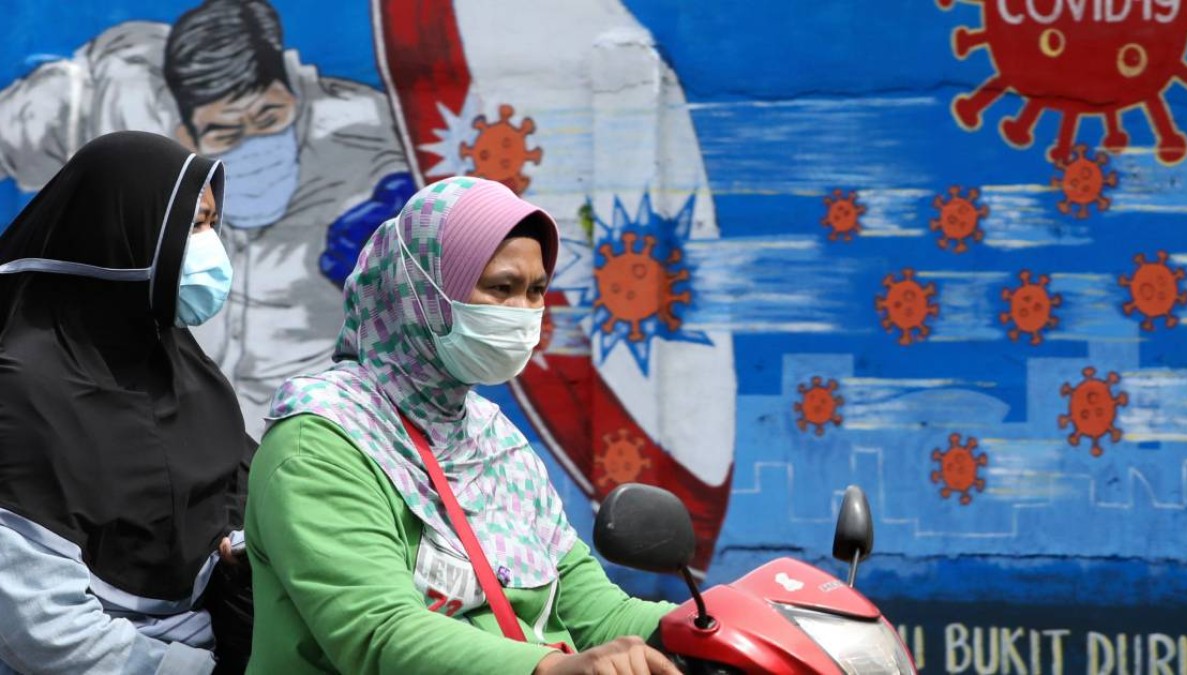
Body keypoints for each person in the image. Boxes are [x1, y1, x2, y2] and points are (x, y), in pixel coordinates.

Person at [245, 176, 681, 674]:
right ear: (421, 292)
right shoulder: (320, 441)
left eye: (536, 291)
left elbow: (595, 614)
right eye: (501, 288)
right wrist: (551, 668)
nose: (523, 313)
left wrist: (717, 624)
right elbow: (378, 632)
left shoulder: (494, 440)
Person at [0, 0, 414, 438]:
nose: (254, 143)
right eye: (225, 132)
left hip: (298, 413)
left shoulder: (365, 132)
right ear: (187, 133)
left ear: (292, 91)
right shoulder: (110, 92)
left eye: (270, 118)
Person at [0, 131, 255, 674]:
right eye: (193, 225)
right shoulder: (21, 392)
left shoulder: (177, 359)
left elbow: (238, 504)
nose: (210, 246)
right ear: (122, 234)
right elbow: (42, 629)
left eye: (212, 224)